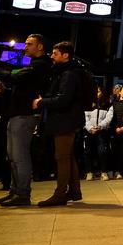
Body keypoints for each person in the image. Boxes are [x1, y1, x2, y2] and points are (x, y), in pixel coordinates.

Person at [0, 34, 52, 207]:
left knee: (19, 156)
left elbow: (15, 77)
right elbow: (18, 83)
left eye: (29, 44)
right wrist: (5, 91)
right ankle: (15, 191)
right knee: (13, 156)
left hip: (25, 115)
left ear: (40, 47)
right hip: (17, 113)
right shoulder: (33, 65)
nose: (25, 47)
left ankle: (23, 193)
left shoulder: (40, 66)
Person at [32, 41, 85, 207]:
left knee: (62, 157)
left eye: (55, 54)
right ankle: (74, 191)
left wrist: (41, 102)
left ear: (65, 55)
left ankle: (60, 193)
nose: (51, 56)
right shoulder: (68, 72)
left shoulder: (68, 74)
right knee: (68, 157)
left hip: (65, 120)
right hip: (68, 119)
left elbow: (63, 99)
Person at [82, 85, 113, 181]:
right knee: (88, 151)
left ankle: (103, 172)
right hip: (89, 131)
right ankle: (89, 172)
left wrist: (100, 126)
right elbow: (84, 117)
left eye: (98, 91)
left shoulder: (107, 104)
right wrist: (90, 128)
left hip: (102, 131)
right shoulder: (87, 103)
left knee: (102, 151)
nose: (97, 93)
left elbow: (109, 117)